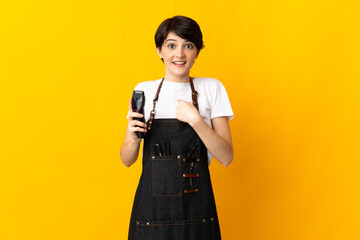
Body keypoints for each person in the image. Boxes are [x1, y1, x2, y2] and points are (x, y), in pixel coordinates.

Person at [120, 15, 234, 240]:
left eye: (188, 46)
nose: (179, 54)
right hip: (152, 218)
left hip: (197, 216)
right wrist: (133, 139)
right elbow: (127, 159)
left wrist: (197, 121)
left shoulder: (212, 88)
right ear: (159, 51)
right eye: (171, 45)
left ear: (197, 52)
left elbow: (227, 156)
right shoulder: (144, 91)